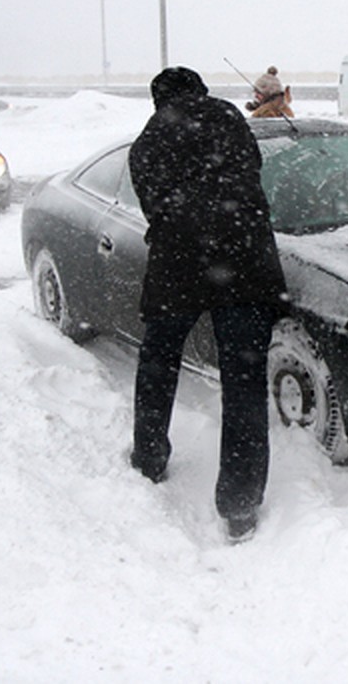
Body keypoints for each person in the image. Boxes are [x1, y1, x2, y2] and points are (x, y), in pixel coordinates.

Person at [127, 66, 289, 543]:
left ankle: (150, 457)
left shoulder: (148, 141)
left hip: (178, 264)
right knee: (243, 382)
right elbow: (250, 175)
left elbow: (153, 206)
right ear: (200, 89)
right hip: (244, 258)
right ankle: (240, 504)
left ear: (159, 100)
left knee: (158, 361)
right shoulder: (232, 121)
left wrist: (187, 224)